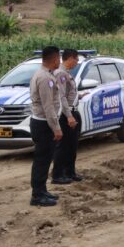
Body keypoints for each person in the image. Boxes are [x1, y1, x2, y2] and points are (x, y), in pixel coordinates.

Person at [28, 46, 63, 206]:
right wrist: (56, 127)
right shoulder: (44, 78)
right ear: (55, 59)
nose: (60, 62)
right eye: (59, 59)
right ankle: (37, 195)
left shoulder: (44, 74)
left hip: (42, 123)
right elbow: (48, 106)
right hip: (43, 125)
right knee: (42, 160)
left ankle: (42, 190)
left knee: (45, 158)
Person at [51, 49, 82, 184]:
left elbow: (68, 94)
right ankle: (57, 175)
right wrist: (69, 116)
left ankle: (70, 172)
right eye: (76, 59)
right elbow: (61, 96)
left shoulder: (66, 73)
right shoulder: (61, 74)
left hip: (71, 111)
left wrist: (78, 96)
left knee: (71, 145)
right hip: (66, 114)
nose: (77, 62)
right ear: (70, 59)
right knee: (63, 146)